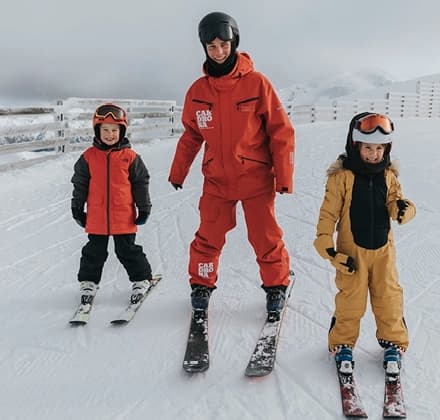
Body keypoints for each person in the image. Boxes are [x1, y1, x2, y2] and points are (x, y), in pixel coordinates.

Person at [168, 11, 295, 316]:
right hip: (217, 181)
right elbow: (191, 136)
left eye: (224, 44)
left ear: (234, 42)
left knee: (265, 237)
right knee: (208, 236)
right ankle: (201, 284)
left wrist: (284, 175)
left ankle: (276, 286)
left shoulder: (257, 84)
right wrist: (178, 171)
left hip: (255, 178)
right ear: (204, 48)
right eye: (212, 46)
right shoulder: (198, 92)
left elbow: (281, 131)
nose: (219, 51)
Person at [313, 112, 416, 377]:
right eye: (368, 148)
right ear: (355, 145)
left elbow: (396, 201)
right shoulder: (341, 177)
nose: (373, 154)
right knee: (350, 301)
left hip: (383, 254)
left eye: (379, 148)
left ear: (387, 149)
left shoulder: (389, 176)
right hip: (351, 255)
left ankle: (393, 343)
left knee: (389, 299)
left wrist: (404, 209)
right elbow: (328, 214)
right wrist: (327, 247)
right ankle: (342, 345)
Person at [71, 103, 153, 302]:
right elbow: (79, 184)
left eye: (114, 130)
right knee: (93, 252)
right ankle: (88, 282)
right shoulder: (88, 158)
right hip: (97, 216)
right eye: (105, 130)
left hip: (122, 215)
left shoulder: (130, 158)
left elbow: (141, 184)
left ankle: (142, 279)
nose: (109, 134)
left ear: (122, 131)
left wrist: (143, 208)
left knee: (127, 250)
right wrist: (77, 207)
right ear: (97, 131)